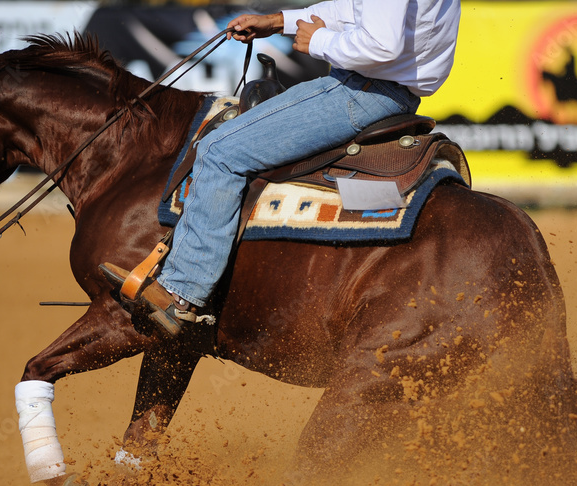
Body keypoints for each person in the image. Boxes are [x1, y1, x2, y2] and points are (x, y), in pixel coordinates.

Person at [101, 0, 461, 335]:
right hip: (384, 92)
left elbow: (382, 45)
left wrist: (318, 40)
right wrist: (280, 21)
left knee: (218, 150)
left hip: (361, 93)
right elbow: (359, 9)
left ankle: (181, 295)